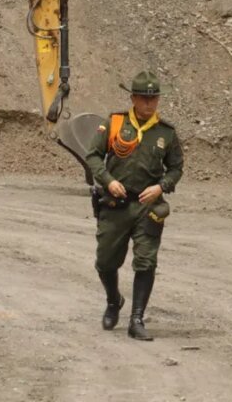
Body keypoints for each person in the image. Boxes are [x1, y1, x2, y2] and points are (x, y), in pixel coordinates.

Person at [84, 70, 184, 341]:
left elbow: (175, 169)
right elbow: (93, 156)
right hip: (115, 204)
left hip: (146, 206)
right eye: (144, 98)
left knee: (145, 261)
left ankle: (136, 319)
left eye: (154, 98)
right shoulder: (115, 124)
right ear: (133, 98)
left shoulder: (166, 133)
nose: (149, 103)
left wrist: (160, 187)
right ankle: (114, 299)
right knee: (105, 262)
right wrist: (107, 179)